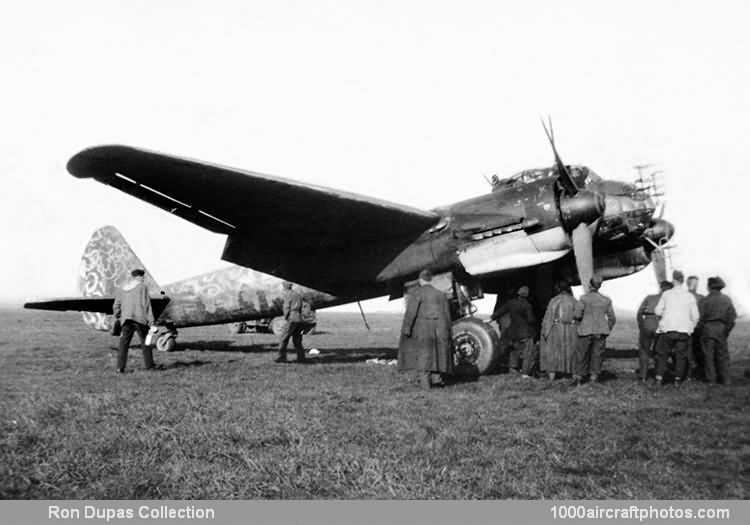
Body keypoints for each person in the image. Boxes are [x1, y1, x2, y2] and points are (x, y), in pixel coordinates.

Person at [398, 269, 454, 389]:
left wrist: (407, 329)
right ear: (431, 280)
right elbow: (447, 314)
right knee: (437, 354)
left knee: (423, 354)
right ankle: (437, 380)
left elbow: (411, 313)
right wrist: (448, 330)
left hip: (423, 328)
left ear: (420, 280)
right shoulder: (441, 294)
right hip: (440, 328)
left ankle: (425, 384)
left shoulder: (417, 293)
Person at [654, 270, 699, 386]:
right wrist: (691, 328)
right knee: (681, 356)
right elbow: (696, 316)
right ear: (683, 281)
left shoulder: (666, 294)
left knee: (662, 354)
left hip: (667, 328)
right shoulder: (689, 296)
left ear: (673, 280)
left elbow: (657, 311)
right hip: (684, 330)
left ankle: (659, 378)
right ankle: (678, 380)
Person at [112, 269, 158, 373]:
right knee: (146, 342)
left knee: (123, 344)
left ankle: (120, 368)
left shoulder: (122, 289)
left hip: (126, 320)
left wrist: (119, 316)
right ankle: (150, 366)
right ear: (139, 277)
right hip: (140, 319)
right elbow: (147, 305)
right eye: (143, 277)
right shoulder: (142, 287)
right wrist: (151, 321)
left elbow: (116, 305)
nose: (143, 279)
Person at [572, 275, 616, 385]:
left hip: (585, 330)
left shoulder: (583, 298)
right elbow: (612, 318)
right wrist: (607, 329)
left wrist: (579, 324)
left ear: (590, 284)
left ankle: (579, 379)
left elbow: (577, 315)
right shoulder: (606, 300)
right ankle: (593, 379)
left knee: (581, 355)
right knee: (597, 356)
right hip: (600, 331)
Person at [491, 285, 537, 377]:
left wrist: (491, 318)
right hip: (525, 333)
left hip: (513, 332)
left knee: (514, 351)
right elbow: (530, 319)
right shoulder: (527, 305)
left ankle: (512, 369)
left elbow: (500, 311)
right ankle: (525, 373)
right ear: (527, 295)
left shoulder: (511, 303)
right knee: (528, 352)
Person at [699, 276, 737, 385]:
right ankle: (726, 379)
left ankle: (711, 380)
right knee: (723, 355)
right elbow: (732, 318)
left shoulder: (704, 301)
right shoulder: (727, 299)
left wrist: (703, 329)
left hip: (707, 329)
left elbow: (700, 319)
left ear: (709, 287)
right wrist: (726, 331)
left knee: (708, 356)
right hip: (721, 329)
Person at [540, 280, 578, 380]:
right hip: (571, 329)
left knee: (554, 352)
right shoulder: (574, 301)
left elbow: (548, 318)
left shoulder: (554, 300)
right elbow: (579, 316)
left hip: (556, 329)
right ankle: (571, 375)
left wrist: (545, 332)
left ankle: (552, 377)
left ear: (559, 288)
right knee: (571, 352)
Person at [636, 281, 672, 382]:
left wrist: (641, 327)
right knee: (660, 352)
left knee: (644, 351)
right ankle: (658, 377)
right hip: (661, 326)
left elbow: (639, 313)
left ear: (661, 288)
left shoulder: (649, 297)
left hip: (647, 324)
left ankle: (643, 376)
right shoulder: (670, 301)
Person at [276, 281, 307, 363]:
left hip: (292, 318)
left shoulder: (288, 295)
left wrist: (286, 317)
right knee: (297, 341)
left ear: (285, 287)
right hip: (300, 319)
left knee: (283, 338)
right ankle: (301, 358)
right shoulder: (298, 295)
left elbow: (286, 308)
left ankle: (281, 358)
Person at [686, 275, 705, 379]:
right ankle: (694, 372)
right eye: (694, 283)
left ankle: (690, 373)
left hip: (693, 328)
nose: (696, 285)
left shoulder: (683, 296)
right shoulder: (701, 298)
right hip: (694, 327)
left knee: (691, 350)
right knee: (694, 350)